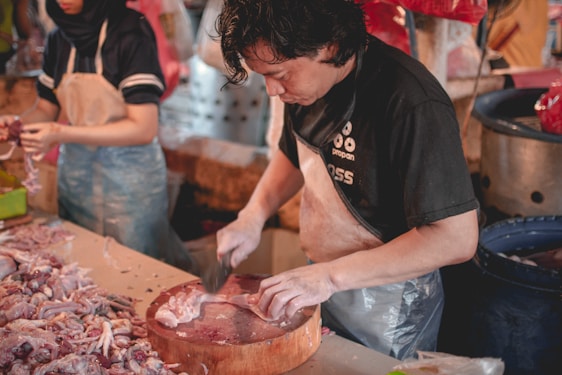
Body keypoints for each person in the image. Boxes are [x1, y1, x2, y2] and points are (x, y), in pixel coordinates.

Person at [214, 0, 480, 360]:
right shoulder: (304, 80)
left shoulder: (411, 101)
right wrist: (252, 216)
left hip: (390, 300)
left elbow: (456, 238)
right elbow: (295, 153)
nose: (271, 91)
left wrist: (329, 278)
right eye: (262, 75)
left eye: (279, 75)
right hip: (322, 276)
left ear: (331, 48)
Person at [0, 0, 192, 268]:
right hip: (78, 180)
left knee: (133, 272)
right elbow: (46, 108)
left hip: (129, 183)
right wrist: (16, 124)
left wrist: (60, 133)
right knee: (82, 272)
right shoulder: (58, 37)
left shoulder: (130, 32)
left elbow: (143, 127)